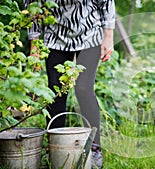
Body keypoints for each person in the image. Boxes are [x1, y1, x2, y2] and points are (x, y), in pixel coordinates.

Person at [24, 0, 115, 168]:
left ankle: (94, 149)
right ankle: (55, 148)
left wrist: (108, 36)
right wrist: (35, 44)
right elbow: (32, 4)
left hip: (90, 32)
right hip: (55, 35)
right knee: (56, 91)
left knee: (83, 89)